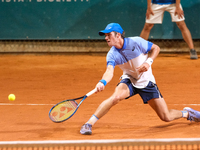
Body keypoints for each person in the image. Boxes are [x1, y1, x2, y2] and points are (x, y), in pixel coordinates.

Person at [80, 23, 200, 135]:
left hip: (146, 81)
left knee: (166, 117)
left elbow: (156, 48)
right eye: (105, 36)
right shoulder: (112, 54)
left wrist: (148, 62)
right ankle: (88, 124)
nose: (106, 38)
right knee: (115, 97)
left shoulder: (135, 42)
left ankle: (187, 113)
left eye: (109, 35)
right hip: (129, 79)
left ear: (118, 35)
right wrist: (102, 82)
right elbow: (109, 71)